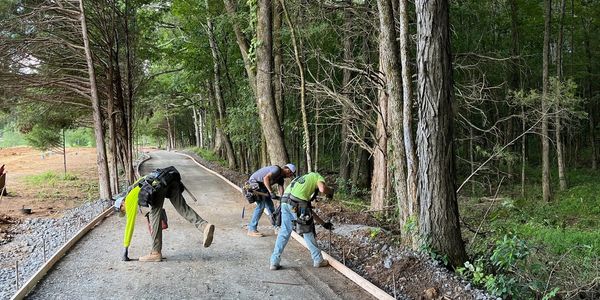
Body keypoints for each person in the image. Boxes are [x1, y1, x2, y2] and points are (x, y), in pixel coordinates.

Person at [114, 166, 215, 262]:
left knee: (154, 215)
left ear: (122, 202)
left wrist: (125, 249)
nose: (125, 211)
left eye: (122, 210)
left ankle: (155, 253)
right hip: (169, 179)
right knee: (182, 208)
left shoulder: (129, 199)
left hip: (158, 185)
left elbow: (129, 225)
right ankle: (204, 226)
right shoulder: (135, 186)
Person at [270, 172, 334, 270]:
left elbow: (308, 210)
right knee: (307, 232)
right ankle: (318, 260)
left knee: (284, 232)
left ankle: (274, 261)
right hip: (297, 203)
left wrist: (323, 224)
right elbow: (322, 189)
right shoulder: (317, 176)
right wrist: (330, 191)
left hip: (285, 202)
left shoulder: (302, 180)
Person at [245, 163, 296, 237]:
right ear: (288, 170)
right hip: (255, 184)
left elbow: (280, 187)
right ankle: (251, 229)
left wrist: (283, 198)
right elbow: (266, 178)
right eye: (290, 174)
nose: (289, 176)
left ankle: (276, 227)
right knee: (261, 206)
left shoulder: (281, 177)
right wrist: (271, 192)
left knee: (270, 206)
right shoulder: (277, 169)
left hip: (263, 187)